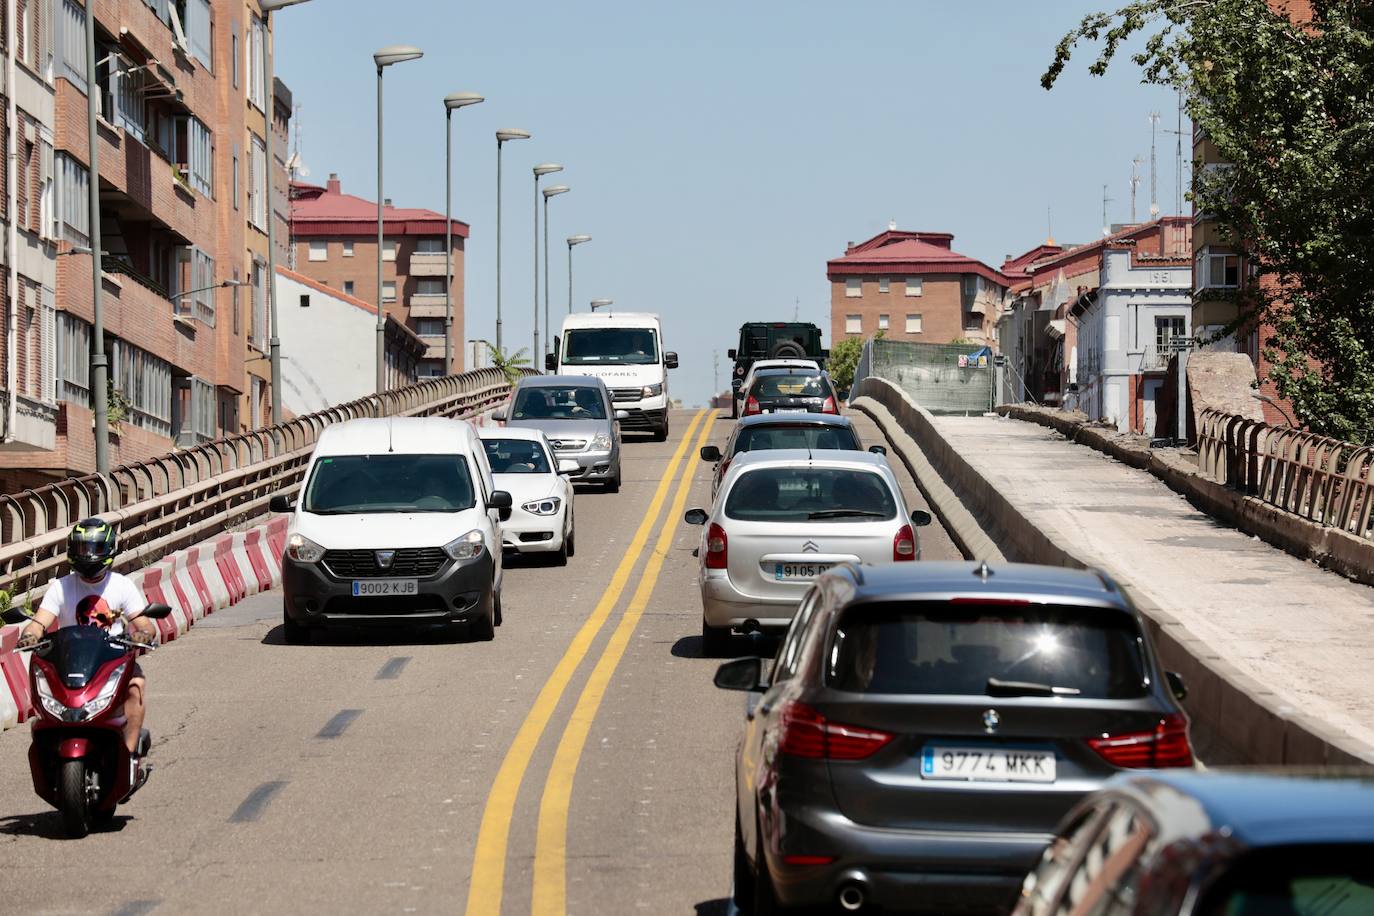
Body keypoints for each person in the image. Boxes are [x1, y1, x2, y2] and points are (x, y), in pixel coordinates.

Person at [17, 518, 156, 756]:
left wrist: (143, 634)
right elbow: (39, 622)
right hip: (70, 662)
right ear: (72, 550)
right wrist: (29, 635)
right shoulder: (60, 587)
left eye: (95, 548)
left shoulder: (122, 586)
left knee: (136, 687)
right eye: (83, 548)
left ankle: (129, 753)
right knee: (44, 696)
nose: (89, 555)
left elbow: (144, 623)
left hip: (111, 660)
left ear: (109, 549)